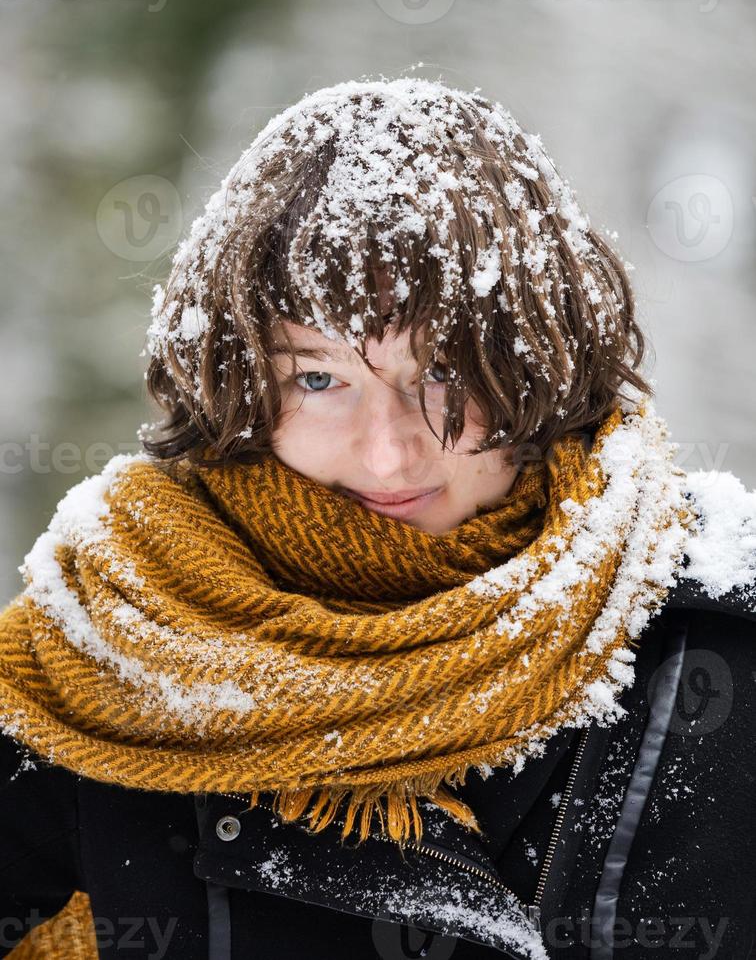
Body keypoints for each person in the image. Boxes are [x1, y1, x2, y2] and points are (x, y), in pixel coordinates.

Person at [0, 76, 754, 960]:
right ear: (239, 381)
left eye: (446, 371)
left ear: (545, 358)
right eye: (318, 378)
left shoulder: (714, 639)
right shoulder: (106, 639)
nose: (389, 453)